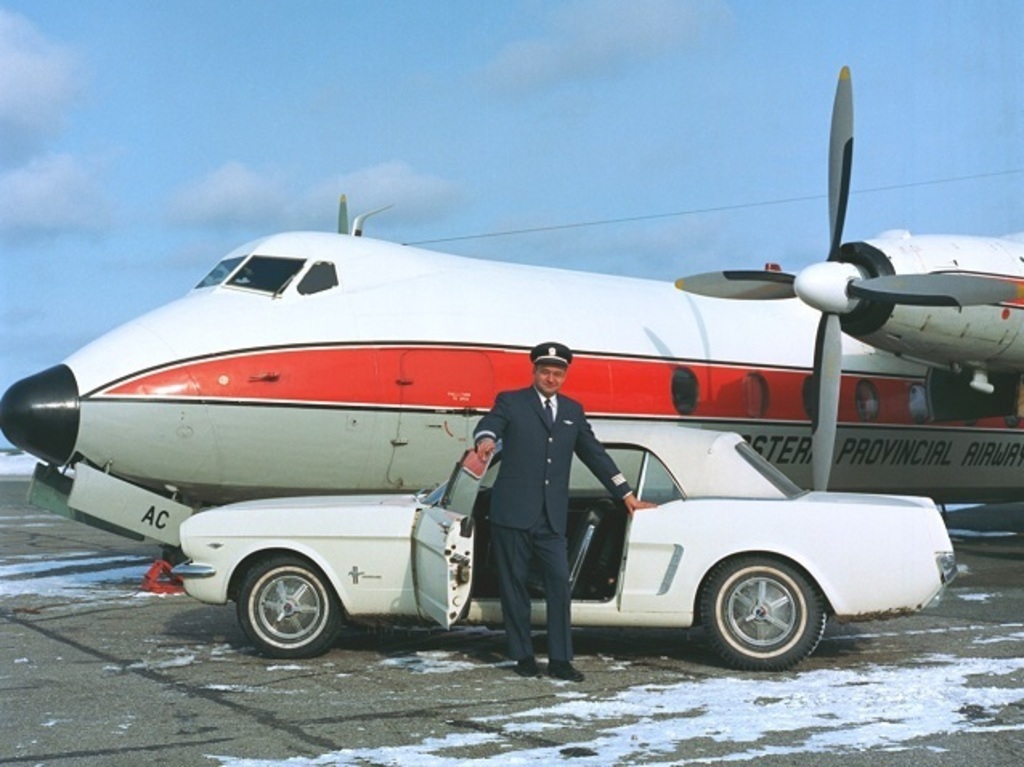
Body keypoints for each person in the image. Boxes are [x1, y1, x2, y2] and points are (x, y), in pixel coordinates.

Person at [473, 341, 654, 682]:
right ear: (535, 372)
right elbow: (489, 425)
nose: (551, 378)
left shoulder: (572, 410)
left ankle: (560, 660)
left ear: (565, 375)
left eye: (558, 373)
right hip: (511, 512)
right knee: (514, 588)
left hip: (551, 517)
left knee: (559, 584)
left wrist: (626, 494)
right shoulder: (511, 402)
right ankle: (523, 655)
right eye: (546, 371)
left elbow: (595, 454)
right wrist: (485, 440)